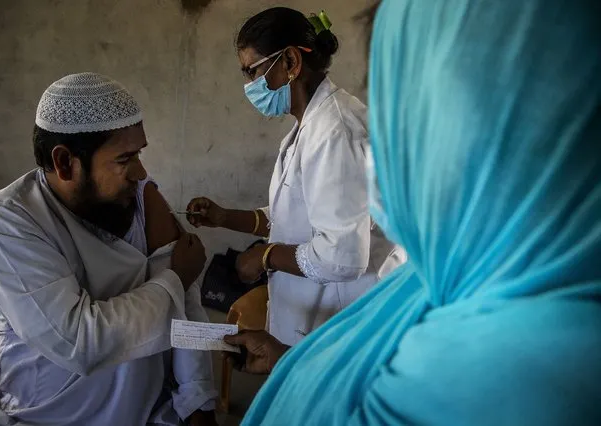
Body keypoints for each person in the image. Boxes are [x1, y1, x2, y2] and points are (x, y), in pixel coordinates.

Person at [224, 0, 601, 424]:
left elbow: (339, 257)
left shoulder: (524, 368)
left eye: (406, 114)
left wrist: (269, 257)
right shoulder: (428, 284)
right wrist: (290, 359)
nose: (382, 151)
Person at [0, 73, 218, 426]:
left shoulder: (142, 196)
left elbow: (186, 309)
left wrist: (199, 398)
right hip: (45, 417)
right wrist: (176, 277)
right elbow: (80, 341)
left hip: (146, 414)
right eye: (124, 158)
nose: (140, 171)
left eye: (139, 153)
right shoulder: (4, 222)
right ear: (64, 162)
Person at [187, 7, 404, 346]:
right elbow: (293, 215)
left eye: (252, 71)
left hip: (345, 318)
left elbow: (340, 257)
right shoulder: (311, 125)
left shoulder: (335, 133)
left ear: (289, 62)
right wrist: (224, 217)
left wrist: (264, 256)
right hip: (320, 317)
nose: (248, 86)